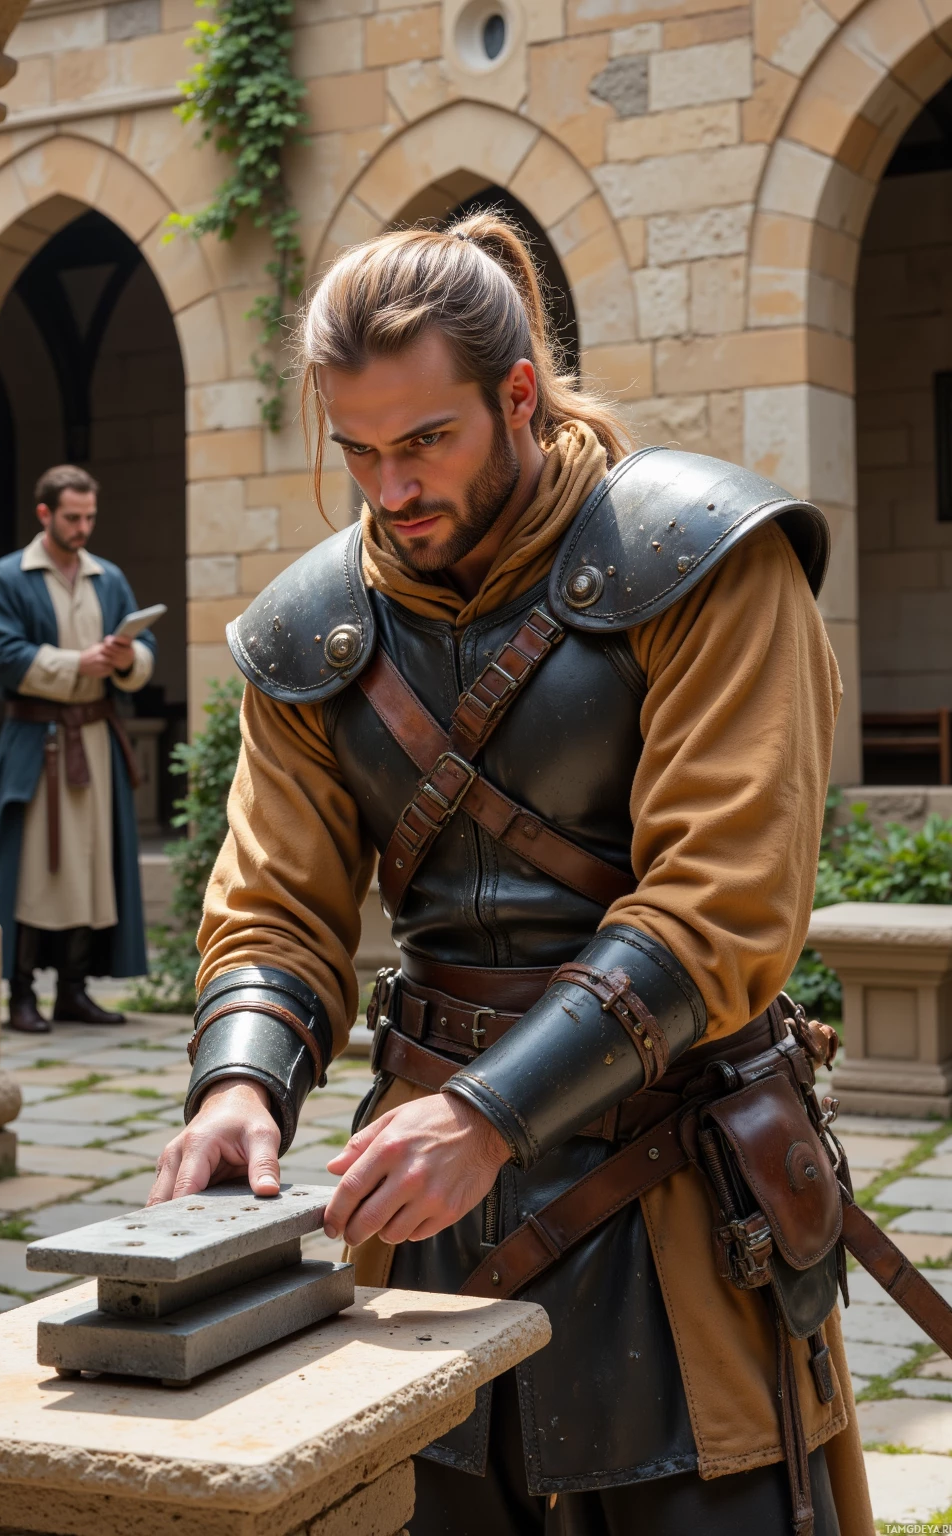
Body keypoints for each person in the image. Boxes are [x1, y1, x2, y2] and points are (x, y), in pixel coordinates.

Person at [150, 216, 872, 1534]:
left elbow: (719, 901)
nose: (391, 488)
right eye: (359, 450)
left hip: (677, 1184)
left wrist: (490, 1112)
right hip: (423, 1206)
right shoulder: (316, 630)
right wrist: (242, 1083)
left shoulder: (705, 560)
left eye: (426, 440)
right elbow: (274, 906)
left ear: (519, 394)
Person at [0, 465, 156, 1033]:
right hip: (39, 743)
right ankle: (23, 995)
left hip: (95, 742)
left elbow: (144, 648)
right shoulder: (9, 576)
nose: (83, 527)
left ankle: (75, 990)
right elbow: (3, 656)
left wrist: (128, 659)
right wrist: (75, 664)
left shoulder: (107, 578)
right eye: (72, 517)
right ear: (44, 514)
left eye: (89, 517)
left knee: (90, 866)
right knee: (35, 870)